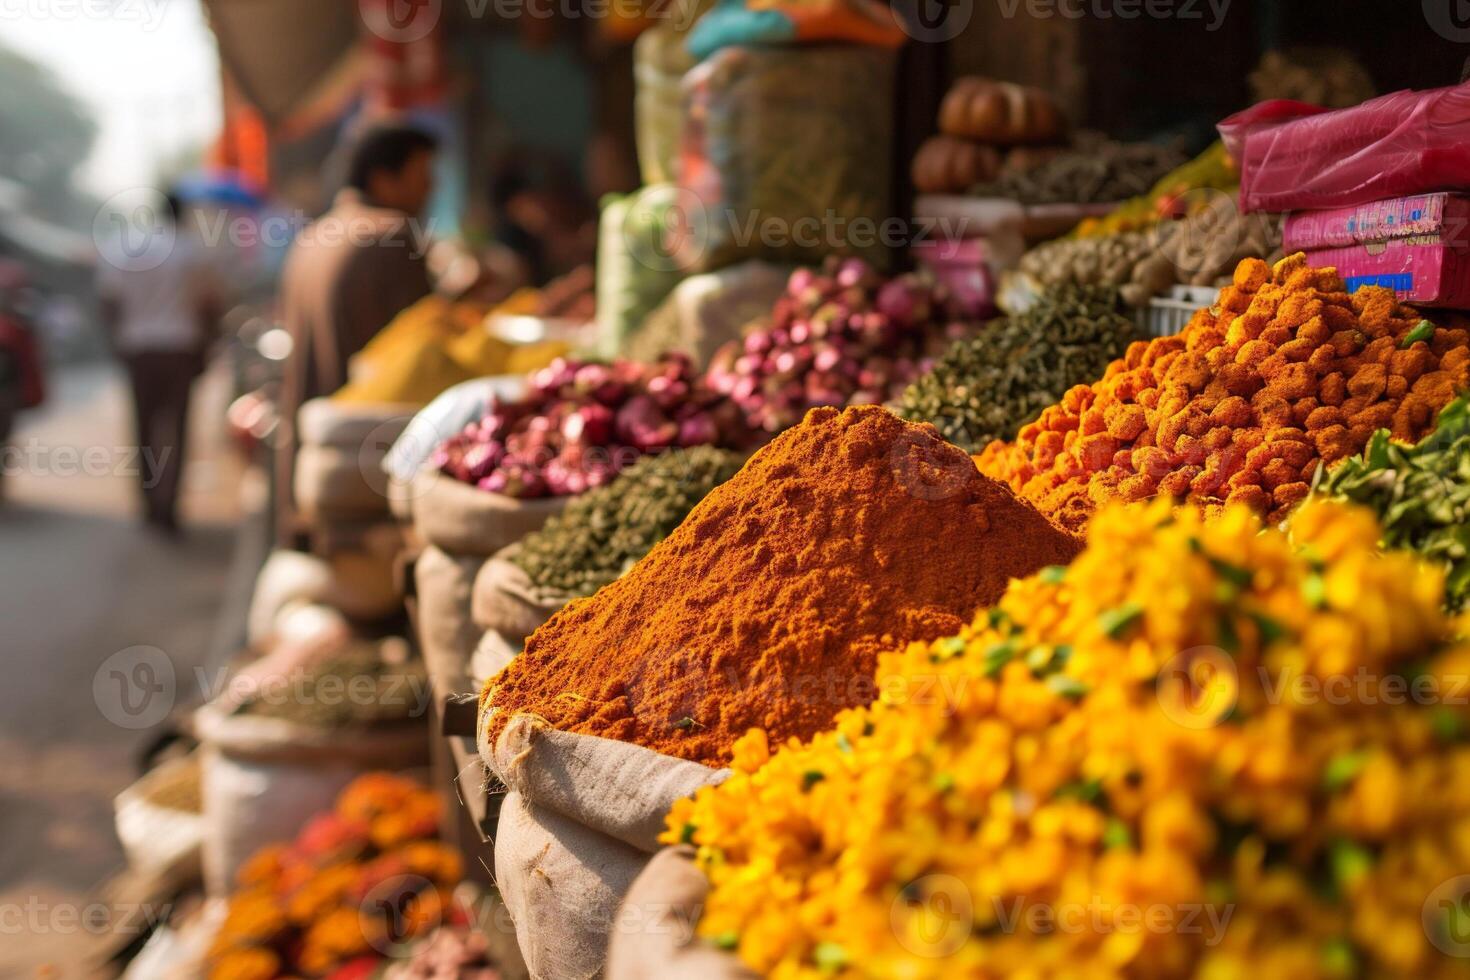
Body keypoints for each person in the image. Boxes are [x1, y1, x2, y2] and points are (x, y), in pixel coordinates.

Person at [276, 123, 439, 542]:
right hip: (366, 474)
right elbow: (425, 351)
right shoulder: (392, 233)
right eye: (423, 178)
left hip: (313, 464)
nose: (430, 191)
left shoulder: (312, 236)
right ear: (384, 179)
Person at [98, 193, 222, 532]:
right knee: (178, 429)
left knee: (143, 427)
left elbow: (109, 302)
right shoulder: (192, 249)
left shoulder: (124, 247)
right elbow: (210, 304)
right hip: (181, 347)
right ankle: (170, 506)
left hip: (138, 348)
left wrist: (118, 341)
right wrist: (208, 346)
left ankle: (149, 502)